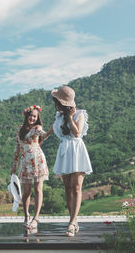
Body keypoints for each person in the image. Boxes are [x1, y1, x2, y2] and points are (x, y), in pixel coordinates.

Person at [45, 85, 92, 237]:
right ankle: (74, 219)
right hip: (64, 150)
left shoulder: (80, 114)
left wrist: (70, 118)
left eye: (57, 102)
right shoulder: (59, 116)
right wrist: (44, 136)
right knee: (67, 188)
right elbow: (53, 127)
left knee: (77, 187)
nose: (55, 105)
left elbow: (77, 133)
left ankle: (72, 222)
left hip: (76, 150)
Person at [11, 105, 49, 232]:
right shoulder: (20, 129)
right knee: (26, 192)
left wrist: (50, 132)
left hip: (38, 162)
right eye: (30, 115)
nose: (32, 118)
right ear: (26, 116)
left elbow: (43, 135)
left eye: (35, 116)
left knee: (38, 189)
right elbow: (17, 147)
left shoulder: (37, 128)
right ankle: (26, 215)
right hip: (25, 163)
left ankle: (36, 218)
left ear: (37, 118)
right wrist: (14, 164)